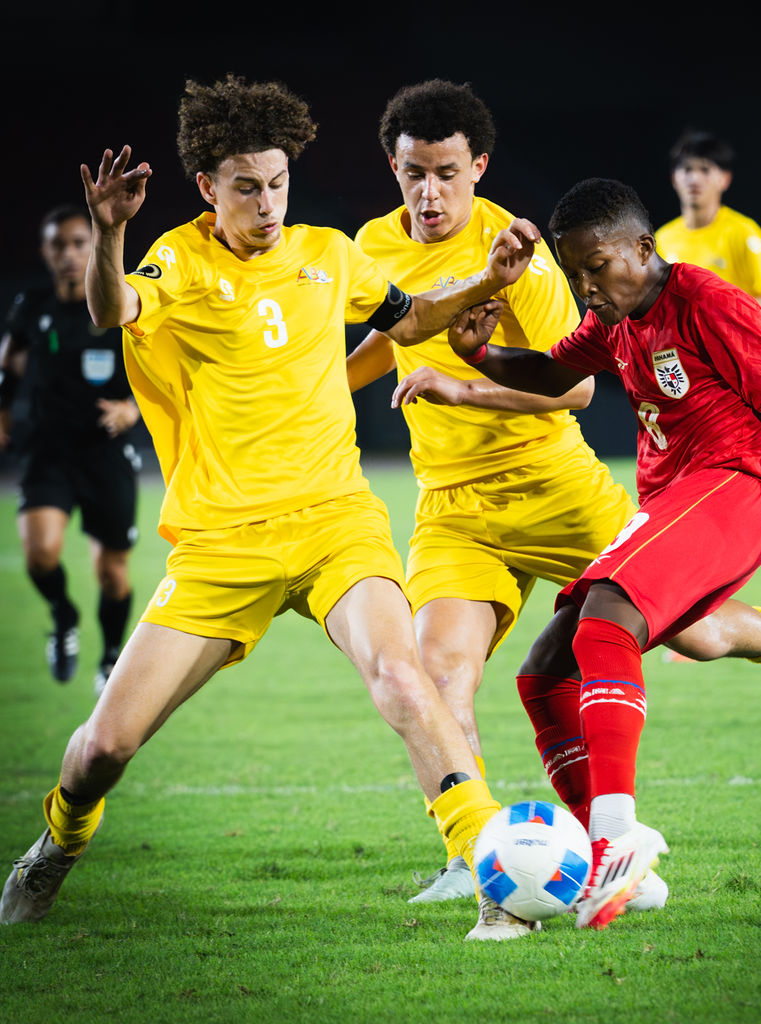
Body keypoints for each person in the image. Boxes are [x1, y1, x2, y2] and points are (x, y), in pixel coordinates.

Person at [0, 75, 542, 942]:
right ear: (208, 187)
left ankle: (490, 874)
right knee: (103, 749)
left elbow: (409, 321)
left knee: (403, 677)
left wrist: (487, 277)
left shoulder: (329, 253)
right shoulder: (178, 260)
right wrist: (109, 232)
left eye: (278, 183)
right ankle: (57, 844)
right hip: (222, 544)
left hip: (335, 521)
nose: (267, 204)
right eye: (247, 187)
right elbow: (111, 309)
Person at [348, 81, 761, 920]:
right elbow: (550, 366)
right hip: (539, 502)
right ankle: (519, 858)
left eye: (596, 271)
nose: (587, 289)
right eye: (579, 275)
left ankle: (616, 840)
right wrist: (478, 357)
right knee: (537, 674)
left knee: (628, 621)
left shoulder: (688, 294)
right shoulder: (605, 315)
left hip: (682, 486)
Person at [655, 130, 761, 635]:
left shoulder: (741, 234)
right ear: (674, 178)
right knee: (686, 511)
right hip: (683, 394)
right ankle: (692, 627)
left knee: (756, 515)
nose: (694, 178)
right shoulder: (662, 240)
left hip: (740, 391)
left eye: (704, 169)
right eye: (686, 169)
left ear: (724, 179)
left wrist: (712, 304)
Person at [0, 206, 141, 695]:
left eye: (79, 243)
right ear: (45, 251)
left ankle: (110, 656)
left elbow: (162, 369)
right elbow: (10, 363)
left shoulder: (118, 305)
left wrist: (132, 409)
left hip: (105, 452)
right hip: (48, 451)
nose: (69, 254)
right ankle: (63, 617)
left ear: (94, 246)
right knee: (40, 555)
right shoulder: (31, 306)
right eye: (57, 244)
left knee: (112, 573)